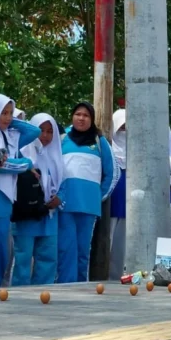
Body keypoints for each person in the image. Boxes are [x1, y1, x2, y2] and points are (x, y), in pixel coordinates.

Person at [0, 94, 38, 288]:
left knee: (0, 252)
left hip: (5, 201)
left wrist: (11, 120)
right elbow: (0, 165)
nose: (7, 117)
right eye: (3, 113)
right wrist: (27, 163)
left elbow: (34, 131)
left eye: (10, 113)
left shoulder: (10, 137)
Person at [57, 102, 117, 283]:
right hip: (65, 205)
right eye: (78, 114)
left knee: (83, 250)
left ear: (91, 119)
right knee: (66, 249)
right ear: (72, 116)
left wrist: (99, 197)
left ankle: (80, 287)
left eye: (86, 115)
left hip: (89, 207)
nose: (81, 118)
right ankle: (64, 287)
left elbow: (113, 172)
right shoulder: (62, 139)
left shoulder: (100, 142)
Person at [13, 113, 64, 286]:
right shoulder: (22, 153)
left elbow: (64, 182)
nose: (45, 135)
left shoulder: (57, 157)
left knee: (48, 259)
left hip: (49, 215)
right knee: (23, 259)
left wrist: (60, 198)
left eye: (50, 131)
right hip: (26, 216)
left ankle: (43, 293)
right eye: (41, 130)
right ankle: (19, 296)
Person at [109, 109, 128, 279]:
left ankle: (115, 278)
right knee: (106, 241)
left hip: (127, 205)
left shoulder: (134, 153)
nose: (124, 131)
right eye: (121, 127)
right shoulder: (109, 150)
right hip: (110, 202)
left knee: (121, 245)